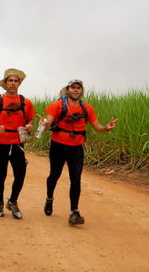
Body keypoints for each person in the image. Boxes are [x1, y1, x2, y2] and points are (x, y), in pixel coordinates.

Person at [37, 79, 118, 225]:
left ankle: (74, 211)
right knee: (54, 175)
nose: (75, 90)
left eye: (78, 88)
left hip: (76, 148)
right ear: (68, 90)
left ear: (81, 91)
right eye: (73, 87)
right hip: (58, 146)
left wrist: (107, 127)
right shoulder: (58, 105)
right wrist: (43, 124)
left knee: (76, 179)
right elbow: (48, 123)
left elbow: (97, 127)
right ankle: (49, 198)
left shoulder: (87, 108)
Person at [0, 68, 35, 218]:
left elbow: (30, 120)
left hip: (18, 144)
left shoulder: (26, 102)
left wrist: (30, 125)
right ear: (5, 83)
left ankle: (12, 201)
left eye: (16, 81)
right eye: (10, 81)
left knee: (20, 175)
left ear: (19, 83)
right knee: (1, 175)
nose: (13, 83)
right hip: (1, 143)